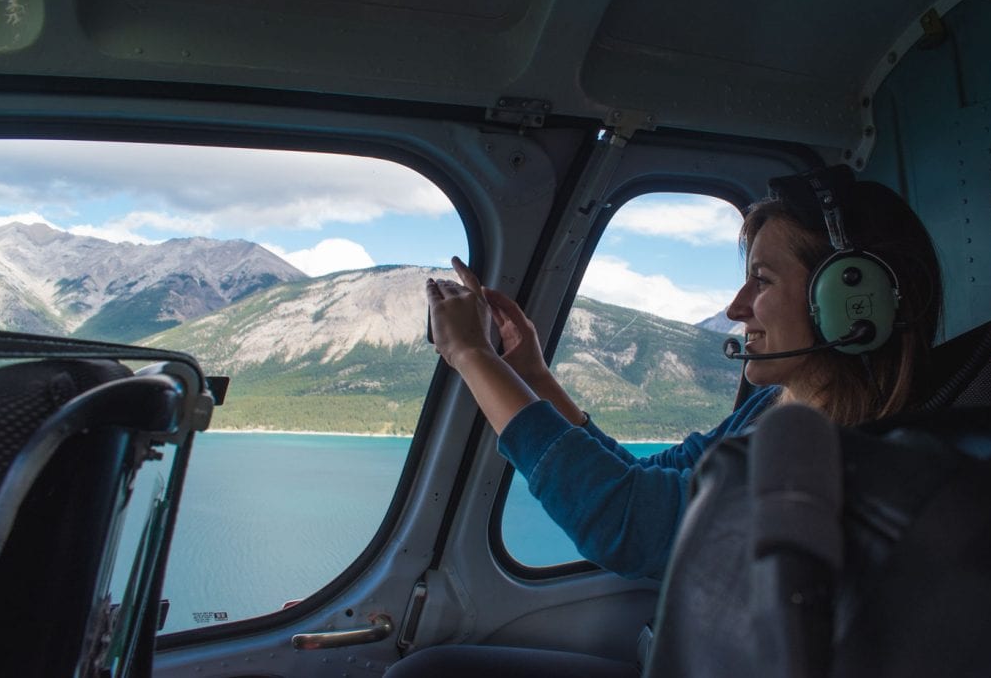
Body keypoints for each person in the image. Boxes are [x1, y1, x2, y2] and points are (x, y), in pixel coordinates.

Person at [392, 165, 943, 677]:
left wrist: (472, 356)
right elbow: (647, 481)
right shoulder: (775, 408)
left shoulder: (852, 462)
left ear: (851, 298)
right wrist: (532, 374)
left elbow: (626, 521)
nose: (736, 306)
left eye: (763, 280)